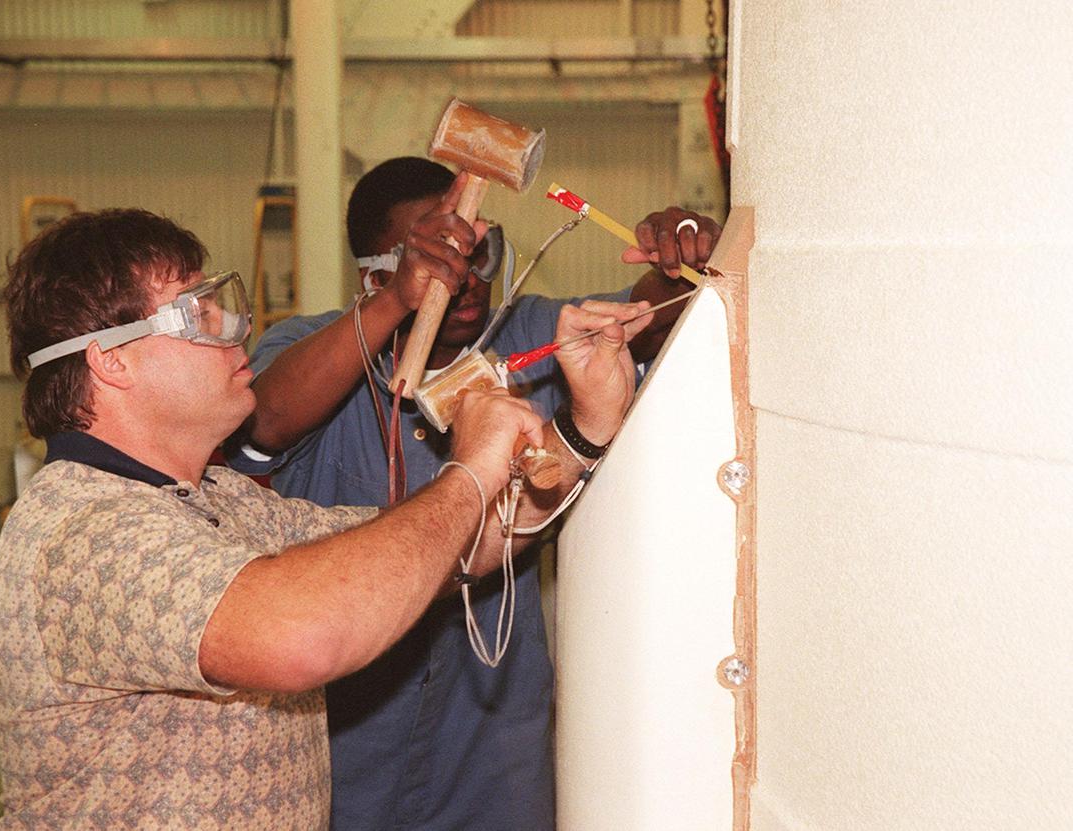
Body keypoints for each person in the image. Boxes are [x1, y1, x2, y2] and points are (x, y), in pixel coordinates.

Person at [0, 207, 652, 828]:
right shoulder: (86, 530)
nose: (234, 328)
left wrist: (585, 427)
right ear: (111, 361)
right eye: (198, 313)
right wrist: (470, 471)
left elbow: (451, 551)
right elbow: (302, 638)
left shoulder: (221, 499)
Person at [232, 157, 721, 829]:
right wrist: (396, 303)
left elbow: (646, 320)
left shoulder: (526, 339)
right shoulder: (317, 353)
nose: (465, 281)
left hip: (488, 749)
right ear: (378, 273)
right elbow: (264, 420)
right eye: (438, 259)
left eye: (476, 253)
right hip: (350, 751)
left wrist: (680, 265)